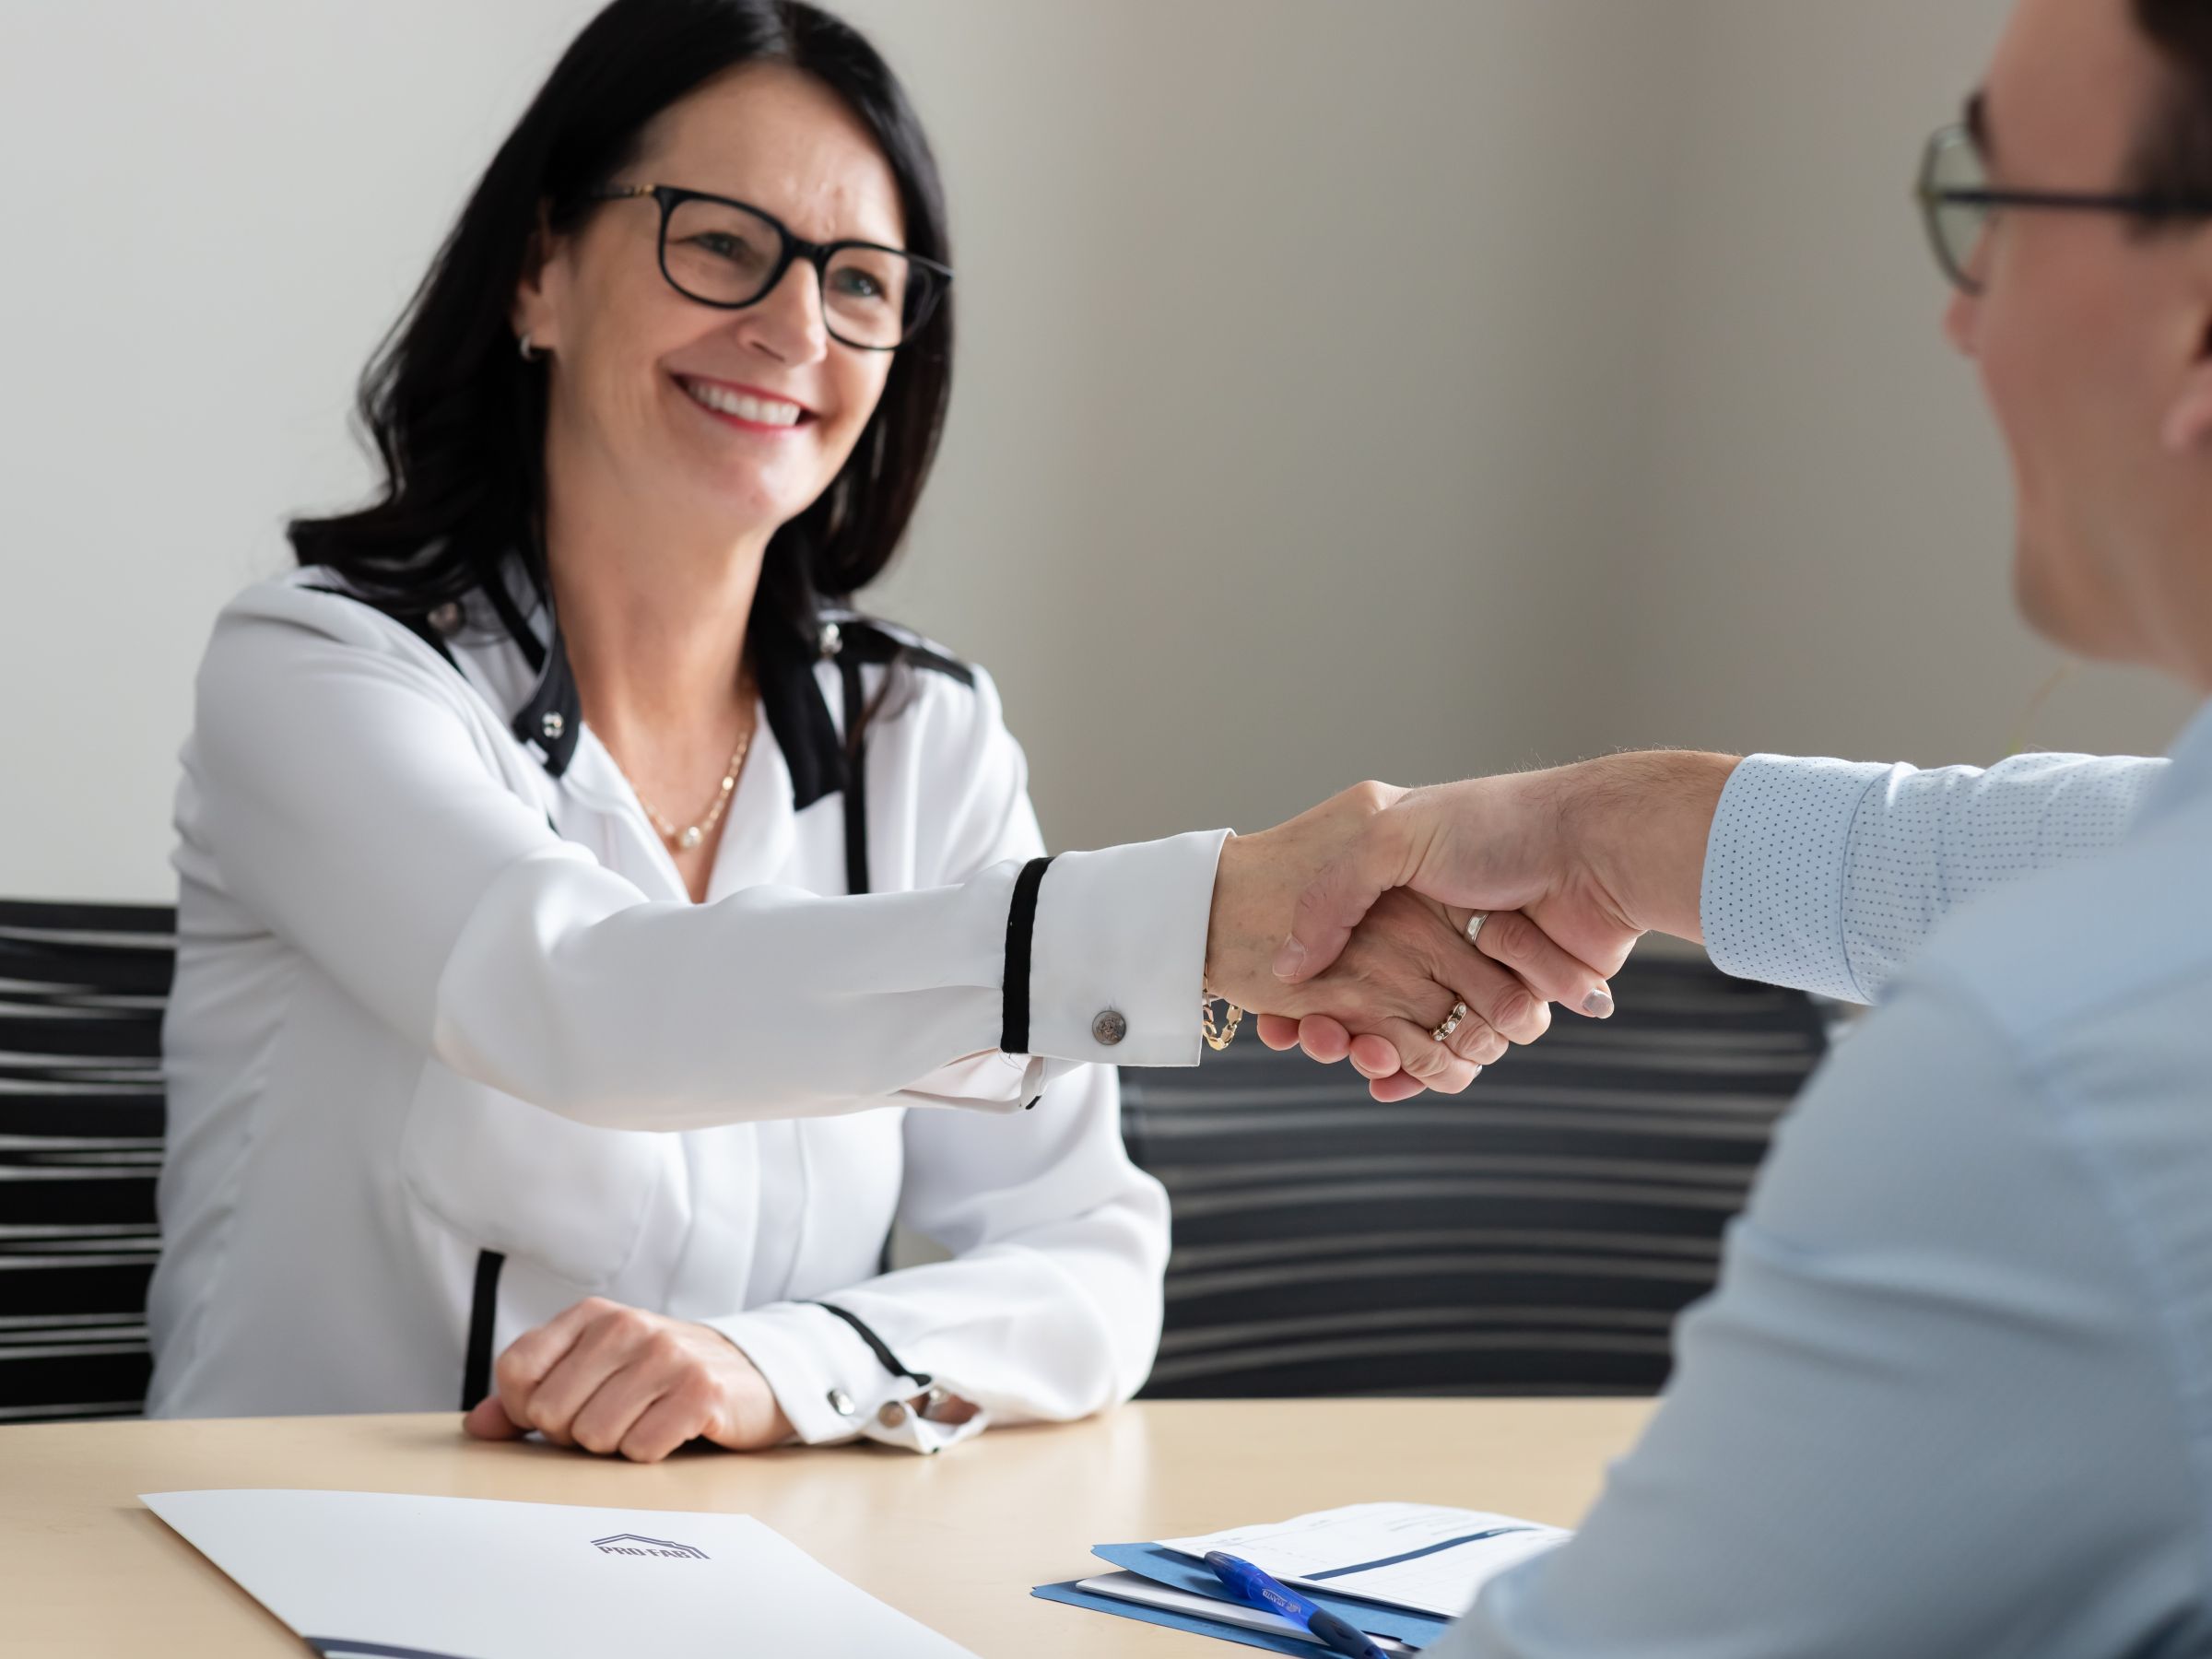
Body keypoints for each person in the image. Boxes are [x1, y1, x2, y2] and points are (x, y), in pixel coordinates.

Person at [148, 0, 1614, 1465]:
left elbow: (1089, 1268)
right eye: (720, 242)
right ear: (539, 270)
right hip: (268, 1564)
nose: (793, 328)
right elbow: (577, 1001)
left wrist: (774, 1367)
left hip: (709, 1585)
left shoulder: (924, 733)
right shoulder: (318, 670)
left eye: (860, 282)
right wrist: (1199, 921)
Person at [1275, 0, 2212, 1649]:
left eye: (1993, 215)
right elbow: (2117, 850)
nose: (1960, 322)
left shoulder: (2061, 1072)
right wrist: (1607, 824)